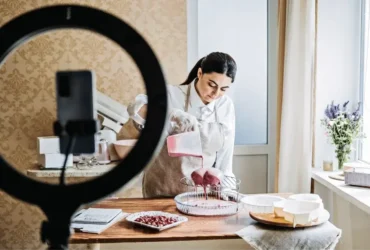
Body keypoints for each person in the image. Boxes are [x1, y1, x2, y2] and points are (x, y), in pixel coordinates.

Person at [127, 52, 237, 198]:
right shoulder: (171, 94)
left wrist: (227, 190)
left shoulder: (225, 105)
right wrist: (171, 114)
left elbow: (225, 155)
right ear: (199, 73)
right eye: (212, 84)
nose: (215, 94)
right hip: (162, 192)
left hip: (201, 196)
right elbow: (135, 107)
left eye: (223, 89)